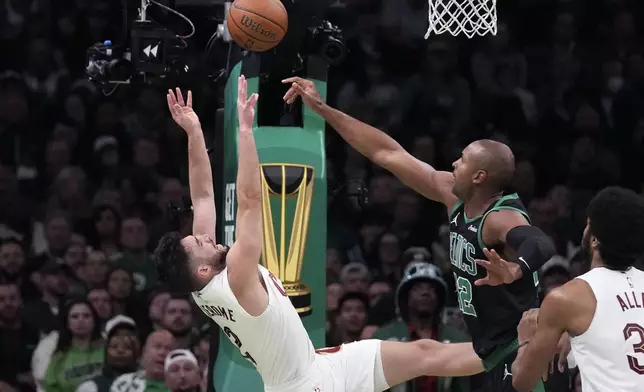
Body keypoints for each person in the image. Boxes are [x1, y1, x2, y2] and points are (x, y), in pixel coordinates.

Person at [153, 76, 483, 392]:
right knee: (425, 356)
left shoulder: (201, 285)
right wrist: (244, 130)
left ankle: (513, 348)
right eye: (200, 243)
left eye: (198, 235)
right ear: (202, 269)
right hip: (303, 387)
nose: (205, 236)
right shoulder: (236, 276)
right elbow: (251, 202)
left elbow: (203, 198)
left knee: (424, 353)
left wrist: (194, 131)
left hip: (319, 367)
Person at [281, 77, 557, 391]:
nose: (454, 162)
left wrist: (515, 268)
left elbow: (538, 241)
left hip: (520, 349)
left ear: (479, 177)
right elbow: (387, 153)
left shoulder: (499, 218)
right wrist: (322, 109)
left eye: (463, 160)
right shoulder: (454, 197)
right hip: (491, 349)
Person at [512, 187, 644, 392]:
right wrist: (574, 333)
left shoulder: (566, 299)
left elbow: (523, 382)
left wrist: (525, 340)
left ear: (593, 239)